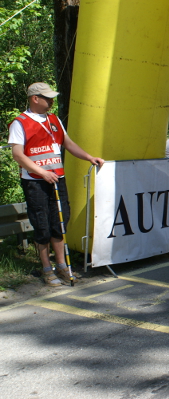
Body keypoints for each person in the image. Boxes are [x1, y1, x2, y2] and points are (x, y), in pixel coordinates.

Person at [8, 82, 105, 286]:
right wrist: (42, 172)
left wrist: (89, 157)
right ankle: (46, 269)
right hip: (35, 182)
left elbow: (67, 144)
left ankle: (62, 266)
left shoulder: (54, 119)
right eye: (47, 98)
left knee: (59, 223)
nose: (51, 101)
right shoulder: (20, 123)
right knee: (42, 225)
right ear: (35, 98)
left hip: (57, 179)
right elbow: (18, 155)